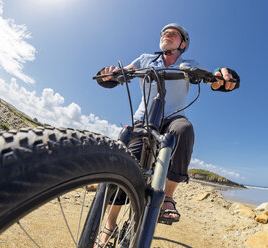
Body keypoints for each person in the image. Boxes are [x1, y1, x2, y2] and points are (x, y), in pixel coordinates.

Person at [96, 23, 240, 247]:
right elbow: (122, 73)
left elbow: (213, 79)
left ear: (182, 44)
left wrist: (221, 77)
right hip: (143, 119)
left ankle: (168, 197)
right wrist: (111, 76)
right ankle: (109, 224)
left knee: (184, 129)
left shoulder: (189, 64)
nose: (167, 35)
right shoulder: (145, 59)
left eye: (174, 34)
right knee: (124, 164)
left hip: (172, 118)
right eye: (165, 33)